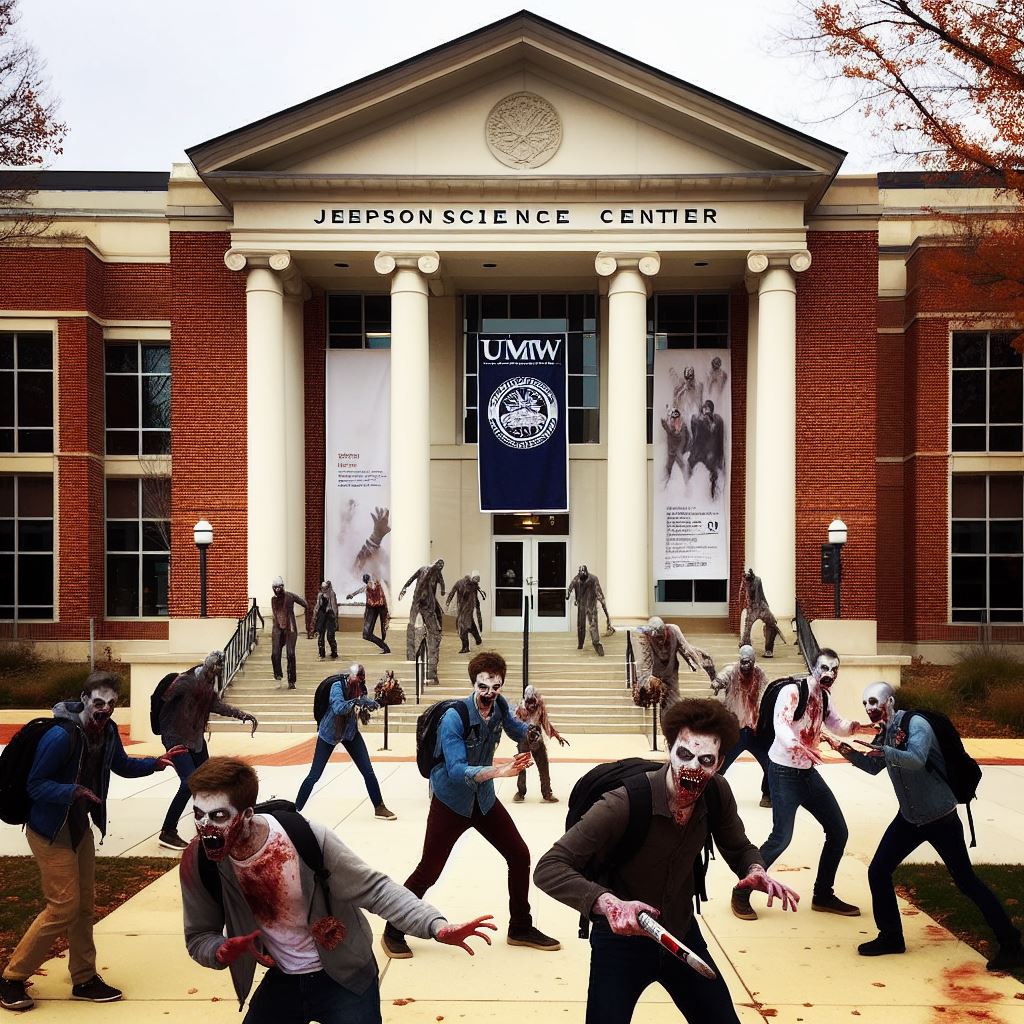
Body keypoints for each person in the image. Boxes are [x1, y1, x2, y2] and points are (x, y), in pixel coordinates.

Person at [534, 698, 799, 1024]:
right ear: (669, 749)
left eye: (705, 760)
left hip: (680, 935)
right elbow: (549, 867)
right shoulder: (623, 804)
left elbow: (739, 846)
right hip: (621, 942)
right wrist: (609, 903)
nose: (692, 768)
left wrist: (755, 869)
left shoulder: (717, 793)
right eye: (684, 755)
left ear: (719, 763)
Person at [180, 756, 496, 1024]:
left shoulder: (303, 839)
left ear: (247, 814)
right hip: (282, 978)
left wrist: (436, 926)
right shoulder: (200, 861)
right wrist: (219, 950)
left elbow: (377, 890)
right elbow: (198, 936)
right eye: (198, 814)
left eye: (218, 816)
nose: (205, 827)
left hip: (344, 975)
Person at [0, 672, 184, 1012]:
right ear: (84, 699)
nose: (105, 709)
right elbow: (35, 785)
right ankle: (12, 977)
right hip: (49, 830)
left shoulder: (108, 730)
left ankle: (84, 979)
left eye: (111, 703)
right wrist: (74, 791)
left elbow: (121, 765)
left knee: (85, 906)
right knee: (63, 907)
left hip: (79, 827)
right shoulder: (60, 736)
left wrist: (154, 765)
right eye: (99, 702)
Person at [830, 682, 1024, 970]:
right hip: (910, 818)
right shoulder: (885, 732)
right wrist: (845, 751)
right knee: (878, 871)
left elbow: (916, 759)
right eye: (865, 704)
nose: (869, 708)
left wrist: (884, 750)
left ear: (889, 701)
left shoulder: (917, 725)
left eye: (873, 701)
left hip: (939, 817)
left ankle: (1012, 945)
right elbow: (873, 767)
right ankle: (891, 937)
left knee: (966, 881)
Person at [381, 651, 560, 959]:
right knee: (429, 870)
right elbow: (456, 769)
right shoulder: (455, 718)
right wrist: (499, 771)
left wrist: (532, 729)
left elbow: (514, 728)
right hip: (451, 801)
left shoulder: (499, 706)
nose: (489, 694)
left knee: (519, 855)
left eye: (496, 687)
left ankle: (520, 927)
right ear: (473, 684)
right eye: (483, 687)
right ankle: (393, 929)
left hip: (484, 800)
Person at [733, 648, 868, 921]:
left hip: (808, 774)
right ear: (812, 667)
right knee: (781, 838)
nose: (829, 673)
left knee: (838, 831)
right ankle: (742, 890)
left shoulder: (824, 696)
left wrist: (859, 727)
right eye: (824, 668)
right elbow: (781, 725)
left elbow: (836, 724)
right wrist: (797, 745)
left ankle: (823, 895)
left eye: (834, 669)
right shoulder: (793, 691)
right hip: (783, 773)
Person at [156, 650, 259, 851]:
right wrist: (167, 727)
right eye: (215, 668)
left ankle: (209, 823)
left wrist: (241, 715)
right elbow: (164, 699)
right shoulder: (186, 681)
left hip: (195, 739)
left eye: (219, 669)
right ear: (208, 666)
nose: (217, 672)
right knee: (188, 783)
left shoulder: (207, 685)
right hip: (177, 739)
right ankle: (167, 831)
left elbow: (215, 705)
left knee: (209, 781)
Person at [295, 664, 396, 821]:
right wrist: (356, 701)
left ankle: (379, 807)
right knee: (314, 775)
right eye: (357, 680)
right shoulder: (337, 686)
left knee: (368, 771)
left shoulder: (360, 688)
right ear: (350, 677)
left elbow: (366, 703)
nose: (359, 683)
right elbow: (338, 708)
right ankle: (295, 810)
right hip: (329, 734)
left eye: (361, 681)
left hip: (350, 733)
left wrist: (380, 700)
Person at [712, 644, 771, 807]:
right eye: (743, 662)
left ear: (754, 661)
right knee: (720, 766)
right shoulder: (731, 671)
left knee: (769, 764)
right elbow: (720, 680)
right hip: (734, 730)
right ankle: (712, 794)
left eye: (749, 662)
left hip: (754, 730)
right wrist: (716, 682)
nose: (746, 666)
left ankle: (768, 794)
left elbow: (767, 690)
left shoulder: (759, 674)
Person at [635, 616, 715, 712]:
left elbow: (685, 647)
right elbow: (643, 662)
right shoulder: (645, 637)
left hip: (670, 672)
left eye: (661, 637)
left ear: (665, 631)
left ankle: (670, 719)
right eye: (656, 638)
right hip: (655, 674)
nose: (660, 641)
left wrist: (695, 662)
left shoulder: (673, 630)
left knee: (673, 703)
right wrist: (646, 683)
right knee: (659, 698)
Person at [512, 685, 569, 804]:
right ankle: (521, 792)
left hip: (536, 736)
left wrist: (557, 735)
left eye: (533, 701)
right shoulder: (521, 707)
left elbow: (545, 722)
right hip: (524, 736)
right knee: (522, 765)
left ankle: (546, 793)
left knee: (543, 765)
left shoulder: (539, 705)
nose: (531, 706)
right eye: (529, 702)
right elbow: (514, 724)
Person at [399, 558, 445, 683]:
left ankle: (427, 669)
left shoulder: (433, 572)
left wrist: (442, 590)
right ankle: (429, 672)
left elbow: (440, 583)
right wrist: (405, 589)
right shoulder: (428, 572)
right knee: (431, 635)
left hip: (425, 605)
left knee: (431, 634)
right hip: (424, 605)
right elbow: (416, 582)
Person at [566, 565, 614, 656]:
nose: (581, 575)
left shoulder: (593, 579)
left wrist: (603, 603)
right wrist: (568, 595)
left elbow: (599, 592)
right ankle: (580, 643)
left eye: (583, 573)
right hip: (581, 605)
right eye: (580, 573)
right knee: (581, 625)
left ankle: (596, 643)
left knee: (593, 625)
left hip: (591, 605)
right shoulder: (576, 579)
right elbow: (570, 587)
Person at [271, 576, 308, 688]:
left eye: (279, 587)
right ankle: (278, 675)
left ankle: (291, 681)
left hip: (290, 628)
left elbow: (304, 603)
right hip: (278, 628)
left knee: (290, 654)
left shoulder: (290, 596)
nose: (277, 590)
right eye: (275, 588)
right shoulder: (273, 599)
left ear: (282, 587)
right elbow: (276, 614)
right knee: (275, 654)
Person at [739, 567, 784, 658]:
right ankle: (746, 649)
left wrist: (766, 606)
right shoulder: (745, 581)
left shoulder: (757, 580)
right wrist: (743, 606)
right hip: (752, 607)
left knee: (772, 624)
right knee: (747, 631)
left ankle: (769, 649)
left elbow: (761, 593)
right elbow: (742, 594)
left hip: (761, 606)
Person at [346, 572, 390, 655]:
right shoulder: (373, 586)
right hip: (375, 608)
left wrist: (352, 595)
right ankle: (384, 646)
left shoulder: (375, 586)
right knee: (367, 634)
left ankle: (385, 646)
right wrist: (352, 595)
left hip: (375, 608)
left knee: (368, 634)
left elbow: (361, 590)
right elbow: (360, 590)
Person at [445, 570, 487, 653]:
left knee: (463, 627)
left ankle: (466, 647)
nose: (478, 581)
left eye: (478, 579)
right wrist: (447, 603)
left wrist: (448, 602)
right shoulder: (463, 584)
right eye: (477, 579)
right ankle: (478, 639)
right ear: (472, 577)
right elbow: (452, 592)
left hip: (468, 609)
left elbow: (478, 596)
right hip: (463, 608)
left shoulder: (473, 585)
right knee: (469, 625)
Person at [310, 580, 339, 661]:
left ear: (328, 587)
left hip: (330, 615)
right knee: (321, 635)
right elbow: (317, 606)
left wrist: (335, 618)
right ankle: (321, 652)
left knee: (330, 635)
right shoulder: (320, 595)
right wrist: (314, 616)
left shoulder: (332, 594)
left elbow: (334, 606)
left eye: (325, 588)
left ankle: (334, 651)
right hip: (322, 615)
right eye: (322, 588)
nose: (323, 589)